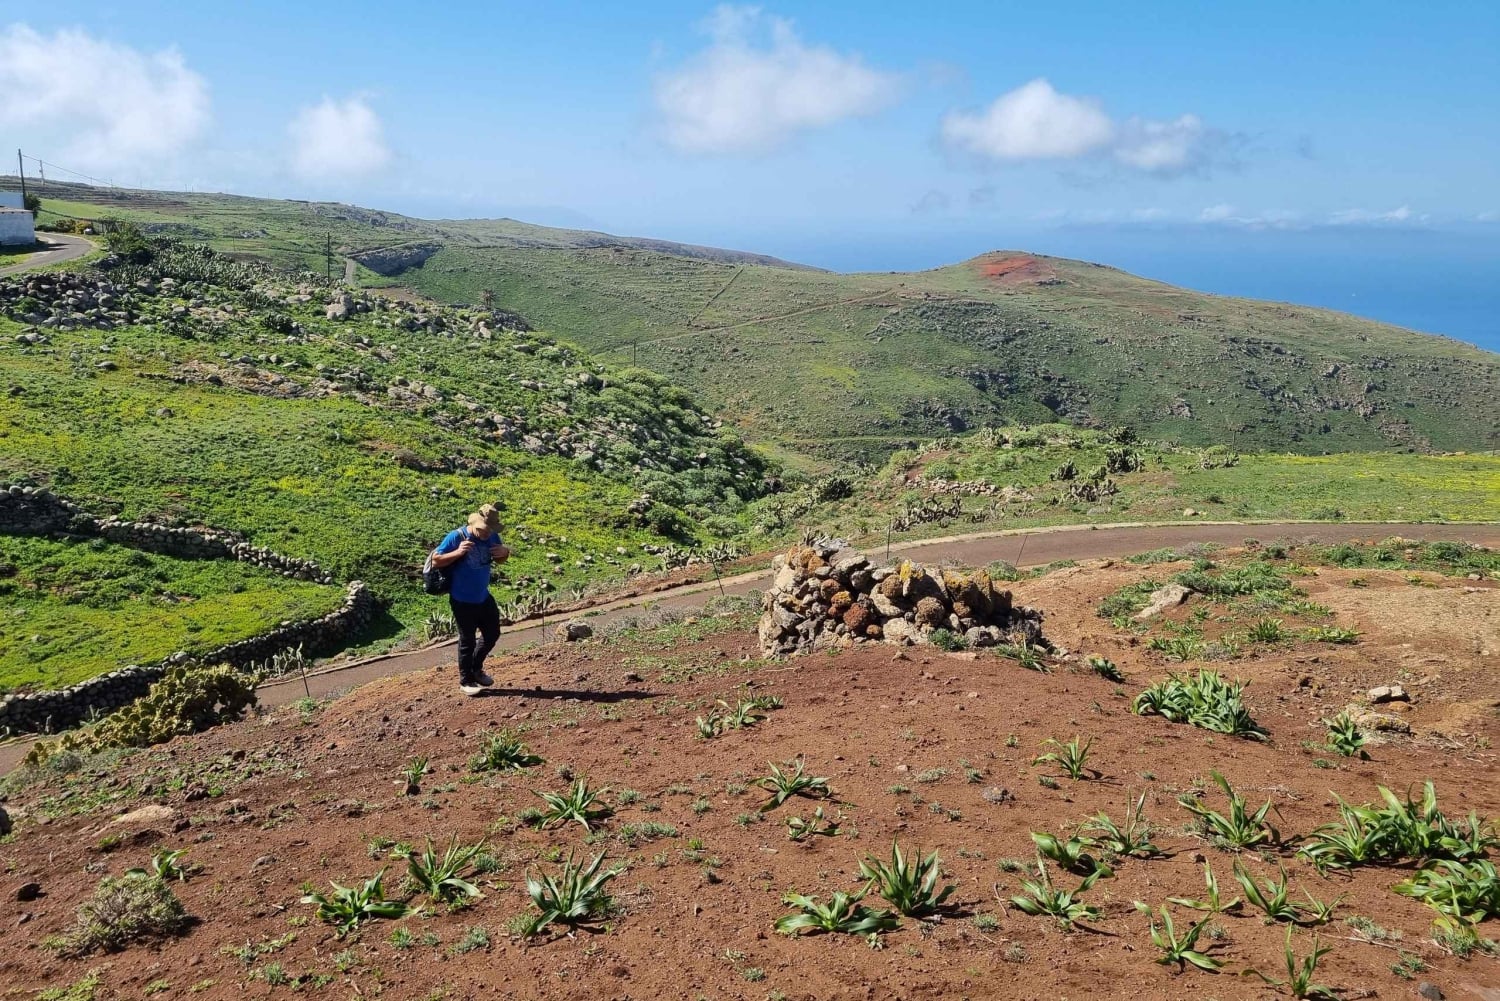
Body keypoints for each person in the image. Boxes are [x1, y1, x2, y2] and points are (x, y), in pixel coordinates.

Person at [430, 504, 511, 695]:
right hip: (462, 599)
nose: (485, 535)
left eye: (489, 531)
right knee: (468, 640)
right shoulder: (456, 537)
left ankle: (476, 668)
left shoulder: (491, 535)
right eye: (482, 530)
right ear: (474, 523)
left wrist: (505, 553)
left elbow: (498, 558)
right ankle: (466, 680)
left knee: (492, 634)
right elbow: (435, 561)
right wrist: (458, 552)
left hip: (483, 596)